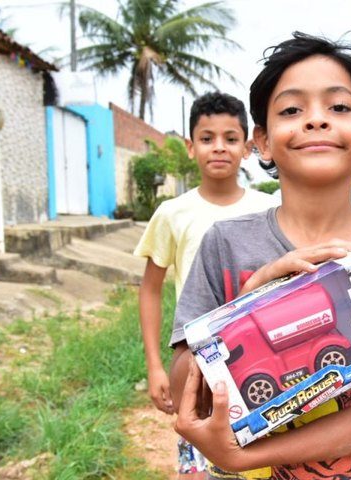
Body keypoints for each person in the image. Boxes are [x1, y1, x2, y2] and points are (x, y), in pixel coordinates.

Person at [172, 32, 351, 479]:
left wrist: (246, 457)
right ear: (262, 142)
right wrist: (249, 301)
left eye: (338, 107)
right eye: (292, 110)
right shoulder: (224, 243)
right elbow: (185, 390)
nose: (316, 120)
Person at [134, 92, 280, 479]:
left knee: (260, 459)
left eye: (231, 139)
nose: (219, 148)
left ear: (248, 147)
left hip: (260, 360)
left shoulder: (267, 211)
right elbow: (150, 289)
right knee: (203, 459)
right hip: (197, 364)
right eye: (207, 138)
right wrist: (155, 366)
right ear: (190, 146)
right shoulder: (172, 213)